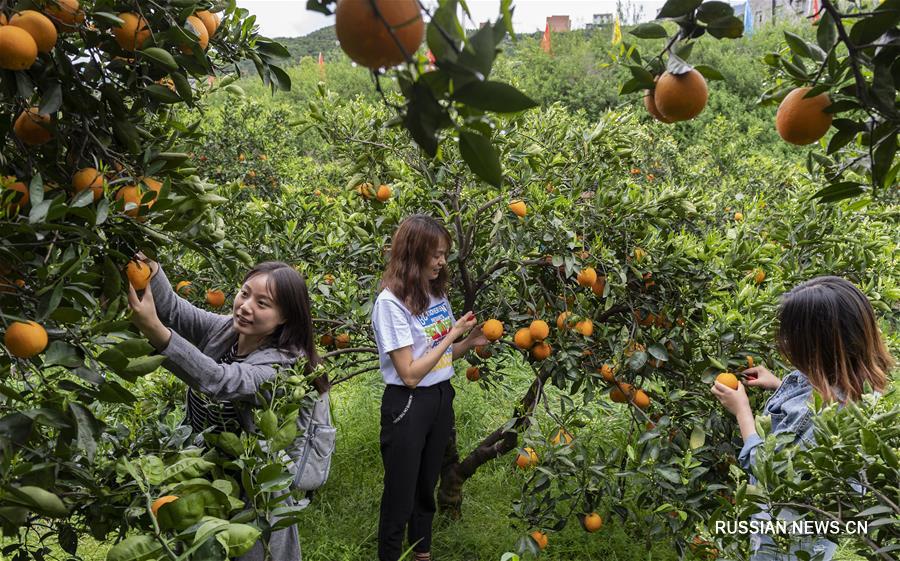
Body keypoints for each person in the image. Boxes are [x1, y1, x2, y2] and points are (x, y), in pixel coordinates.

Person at [127, 256, 320, 561]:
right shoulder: (226, 332)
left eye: (262, 303)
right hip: (203, 478)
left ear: (284, 316)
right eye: (245, 293)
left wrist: (154, 330)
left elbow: (218, 381)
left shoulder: (281, 368)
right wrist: (147, 265)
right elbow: (175, 310)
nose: (245, 306)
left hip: (253, 491)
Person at [712, 276, 893, 561]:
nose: (784, 342)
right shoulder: (859, 385)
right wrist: (780, 383)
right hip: (815, 530)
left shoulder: (814, 413)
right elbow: (816, 394)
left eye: (790, 336)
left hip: (786, 536)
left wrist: (742, 411)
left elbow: (768, 471)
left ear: (814, 347)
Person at [371, 215, 489, 561]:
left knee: (425, 484)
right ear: (414, 252)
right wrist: (452, 335)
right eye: (435, 254)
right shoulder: (391, 304)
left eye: (444, 255)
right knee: (400, 491)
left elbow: (441, 355)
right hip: (408, 402)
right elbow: (409, 372)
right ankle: (390, 555)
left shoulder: (435, 294)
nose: (441, 262)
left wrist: (469, 341)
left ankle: (422, 551)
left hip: (440, 397)